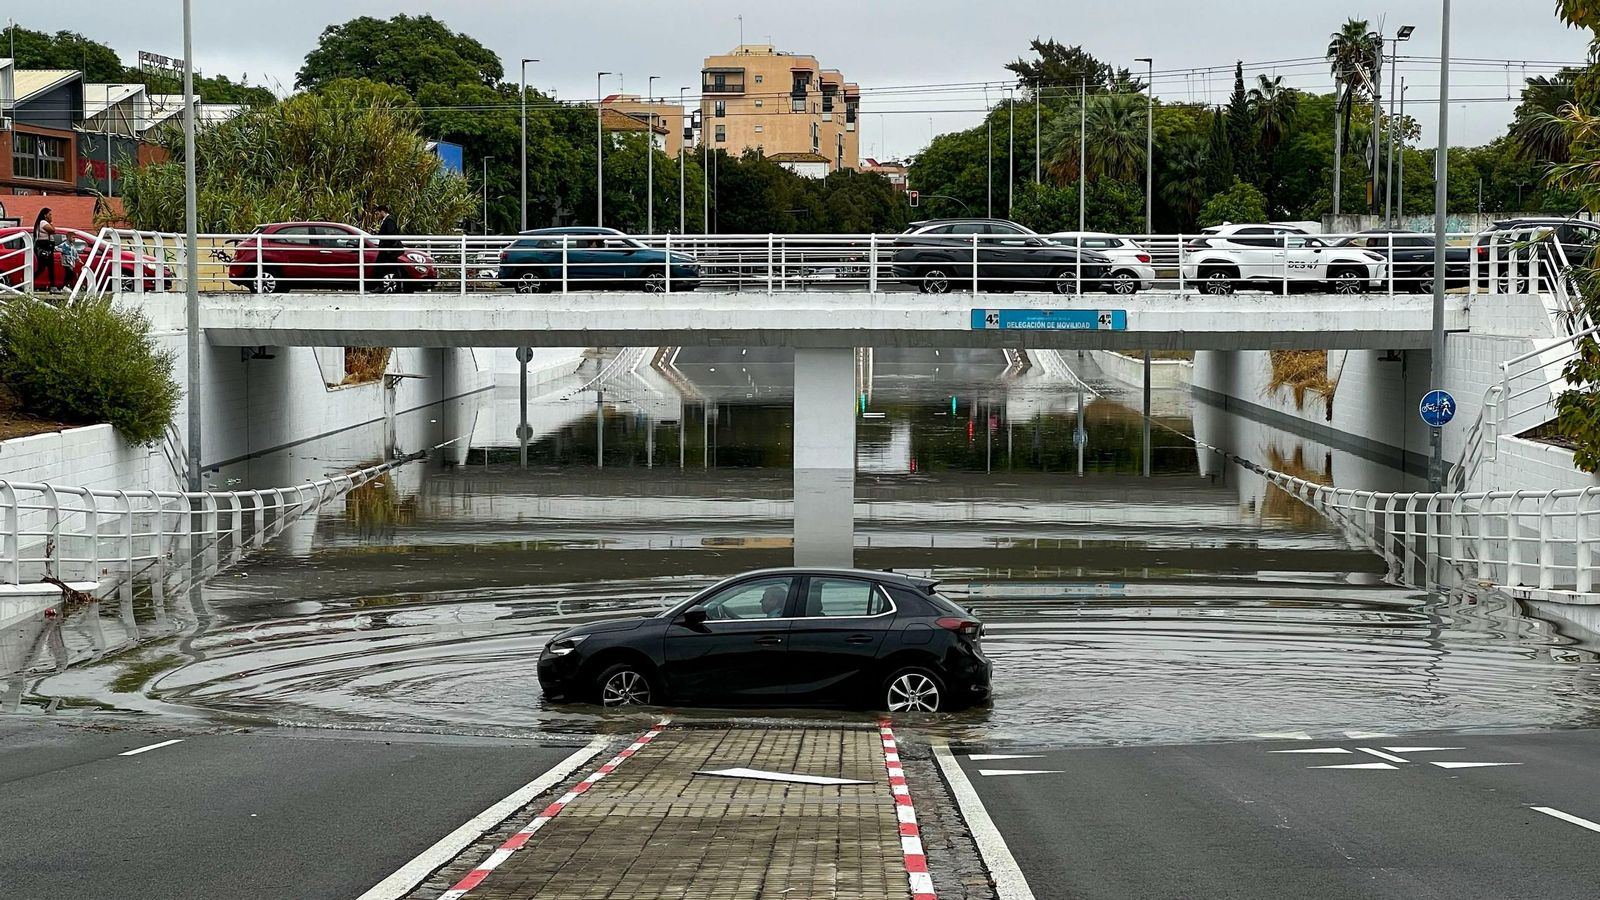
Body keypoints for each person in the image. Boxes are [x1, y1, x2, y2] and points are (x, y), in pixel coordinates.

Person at [372, 204, 402, 291]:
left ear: (382, 212)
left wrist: (386, 248)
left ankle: (381, 286)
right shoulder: (387, 221)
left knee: (380, 267)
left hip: (388, 250)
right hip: (388, 250)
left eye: (378, 213)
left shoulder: (389, 221)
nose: (377, 216)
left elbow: (391, 234)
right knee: (392, 268)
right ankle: (397, 286)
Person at [32, 208, 57, 291]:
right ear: (45, 215)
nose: (51, 216)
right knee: (44, 267)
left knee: (49, 267)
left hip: (47, 247)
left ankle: (52, 285)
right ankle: (52, 286)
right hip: (44, 247)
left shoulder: (41, 223)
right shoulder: (43, 222)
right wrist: (51, 222)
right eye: (49, 214)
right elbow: (53, 231)